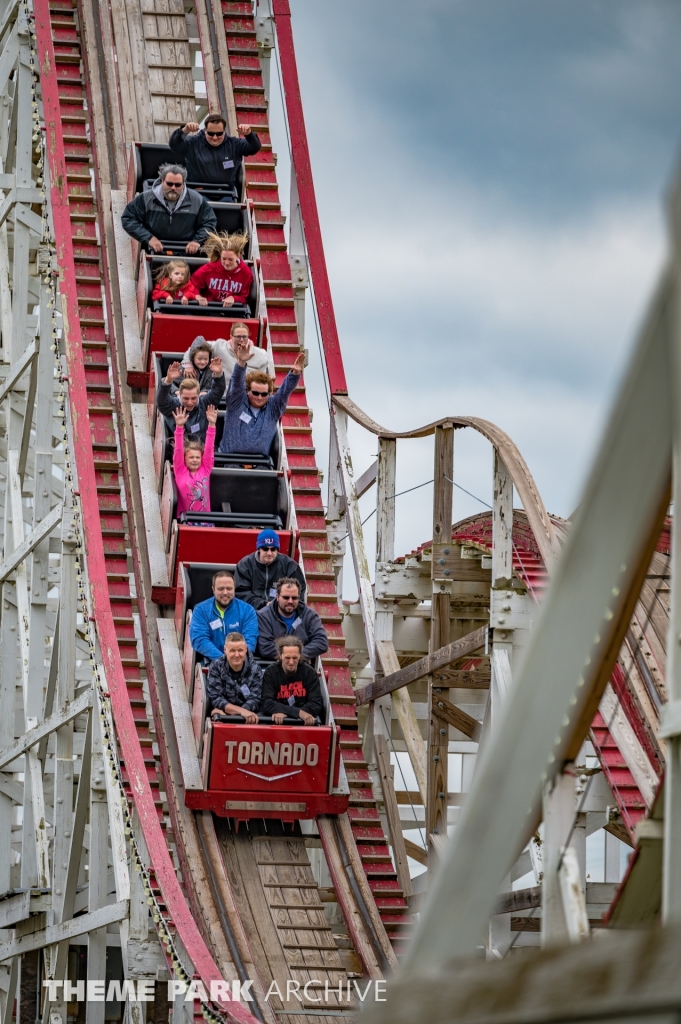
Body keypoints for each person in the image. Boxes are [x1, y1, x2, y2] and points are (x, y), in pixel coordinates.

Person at [218, 337, 304, 457]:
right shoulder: (236, 401)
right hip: (230, 460)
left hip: (261, 465)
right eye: (255, 393)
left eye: (264, 394)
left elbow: (285, 391)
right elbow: (236, 382)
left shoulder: (273, 408)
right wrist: (241, 363)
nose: (259, 397)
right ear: (247, 390)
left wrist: (294, 374)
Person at [121, 164, 216, 255]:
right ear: (162, 181)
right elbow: (128, 218)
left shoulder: (197, 199)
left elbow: (209, 221)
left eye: (178, 185)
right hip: (154, 251)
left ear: (183, 184)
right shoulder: (146, 198)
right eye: (169, 184)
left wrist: (197, 241)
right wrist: (149, 238)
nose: (173, 188)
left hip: (186, 253)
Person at [168, 115, 261, 188]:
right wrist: (184, 130)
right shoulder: (193, 143)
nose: (215, 137)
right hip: (198, 192)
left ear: (224, 131)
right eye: (211, 133)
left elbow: (254, 147)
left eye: (219, 134)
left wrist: (249, 134)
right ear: (205, 130)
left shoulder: (234, 144)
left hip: (226, 193)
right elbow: (174, 145)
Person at [190, 571, 258, 660]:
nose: (225, 592)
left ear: (234, 589)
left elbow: (250, 641)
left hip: (241, 662)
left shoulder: (247, 610)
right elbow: (200, 640)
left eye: (229, 588)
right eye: (221, 589)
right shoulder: (200, 610)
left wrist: (236, 659)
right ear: (213, 589)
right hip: (211, 663)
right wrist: (223, 660)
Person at [256, 578, 328, 662]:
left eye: (294, 598)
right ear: (277, 597)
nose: (290, 601)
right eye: (286, 597)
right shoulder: (263, 616)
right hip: (272, 667)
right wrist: (293, 656)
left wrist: (297, 656)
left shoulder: (310, 615)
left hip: (301, 666)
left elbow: (322, 642)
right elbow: (265, 648)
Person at [156, 358, 225, 443]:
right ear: (180, 395)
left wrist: (218, 374)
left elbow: (218, 390)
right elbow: (162, 401)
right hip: (180, 451)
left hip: (200, 451)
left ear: (199, 395)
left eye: (193, 398)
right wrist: (168, 380)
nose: (190, 402)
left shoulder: (204, 403)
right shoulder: (173, 405)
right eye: (185, 398)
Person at [235, 529, 306, 610]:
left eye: (273, 549)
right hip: (253, 611)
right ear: (259, 549)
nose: (269, 553)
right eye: (265, 549)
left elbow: (298, 594)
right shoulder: (245, 565)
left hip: (282, 612)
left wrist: (281, 605)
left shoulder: (290, 566)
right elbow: (241, 594)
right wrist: (264, 604)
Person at [181, 325, 272, 386]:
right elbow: (196, 347)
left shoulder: (261, 354)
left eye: (244, 337)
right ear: (231, 337)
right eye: (238, 337)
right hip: (222, 393)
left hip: (245, 395)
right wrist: (188, 364)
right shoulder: (219, 346)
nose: (241, 340)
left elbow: (262, 380)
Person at [261, 636, 323, 725]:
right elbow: (267, 703)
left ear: (299, 656)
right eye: (287, 658)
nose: (291, 662)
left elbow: (316, 704)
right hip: (277, 724)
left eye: (294, 658)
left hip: (303, 723)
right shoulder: (271, 672)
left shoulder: (309, 672)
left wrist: (287, 713)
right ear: (280, 655)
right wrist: (299, 713)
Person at [184, 231, 253, 308]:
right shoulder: (209, 268)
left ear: (238, 256)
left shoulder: (246, 272)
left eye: (230, 259)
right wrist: (197, 296)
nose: (226, 263)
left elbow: (245, 297)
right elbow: (192, 284)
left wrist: (234, 298)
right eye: (223, 259)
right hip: (211, 308)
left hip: (233, 309)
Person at [206, 632, 263, 723]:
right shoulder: (216, 666)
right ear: (225, 650)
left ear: (246, 650)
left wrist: (240, 714)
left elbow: (255, 699)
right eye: (232, 651)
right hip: (223, 718)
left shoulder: (256, 669)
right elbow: (216, 698)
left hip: (247, 719)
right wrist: (242, 712)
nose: (237, 655)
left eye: (240, 650)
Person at [172, 404, 217, 515]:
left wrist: (211, 424)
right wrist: (179, 427)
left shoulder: (205, 470)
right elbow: (178, 450)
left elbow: (209, 448)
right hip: (186, 520)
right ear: (185, 459)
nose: (195, 460)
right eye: (191, 457)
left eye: (197, 457)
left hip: (205, 520)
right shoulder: (180, 471)